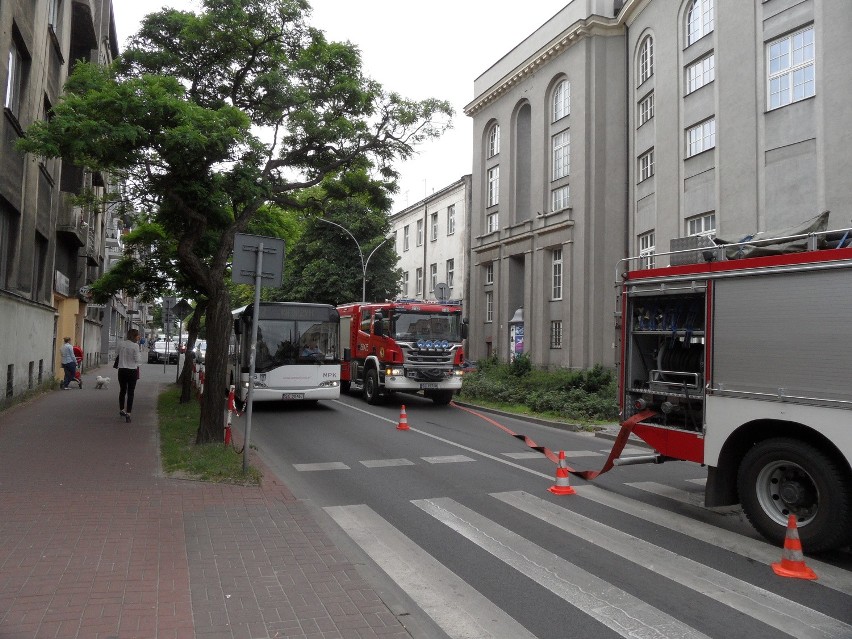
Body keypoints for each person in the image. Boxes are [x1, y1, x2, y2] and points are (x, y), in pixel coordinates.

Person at [116, 328, 141, 423]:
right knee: (131, 392)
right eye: (137, 335)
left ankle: (121, 409)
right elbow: (137, 359)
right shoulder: (135, 346)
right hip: (132, 371)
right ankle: (128, 414)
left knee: (122, 390)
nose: (138, 337)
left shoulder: (121, 344)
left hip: (121, 370)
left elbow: (116, 354)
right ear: (134, 336)